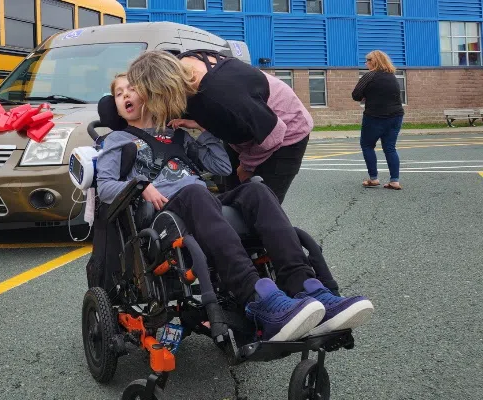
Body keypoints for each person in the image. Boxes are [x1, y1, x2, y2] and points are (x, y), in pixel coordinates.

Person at [97, 74, 374, 342]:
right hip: (164, 214)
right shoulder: (117, 140)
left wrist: (202, 130)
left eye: (130, 89)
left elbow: (222, 167)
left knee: (256, 190)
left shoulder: (178, 135)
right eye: (119, 94)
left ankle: (305, 286)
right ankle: (257, 298)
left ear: (147, 94)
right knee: (196, 192)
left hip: (201, 203)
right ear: (117, 108)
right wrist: (141, 185)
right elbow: (105, 185)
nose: (125, 96)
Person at [124, 50, 313, 204]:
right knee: (233, 197)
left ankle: (281, 248)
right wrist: (201, 122)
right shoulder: (182, 65)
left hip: (286, 130)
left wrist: (247, 165)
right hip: (248, 124)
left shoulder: (219, 95)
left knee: (261, 203)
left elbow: (274, 133)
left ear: (163, 89)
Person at [352, 50, 404, 190]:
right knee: (390, 148)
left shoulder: (369, 76)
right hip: (396, 116)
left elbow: (356, 95)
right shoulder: (392, 76)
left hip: (375, 117)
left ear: (373, 62)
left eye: (367, 61)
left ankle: (373, 178)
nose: (365, 63)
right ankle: (395, 181)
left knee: (367, 145)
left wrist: (365, 96)